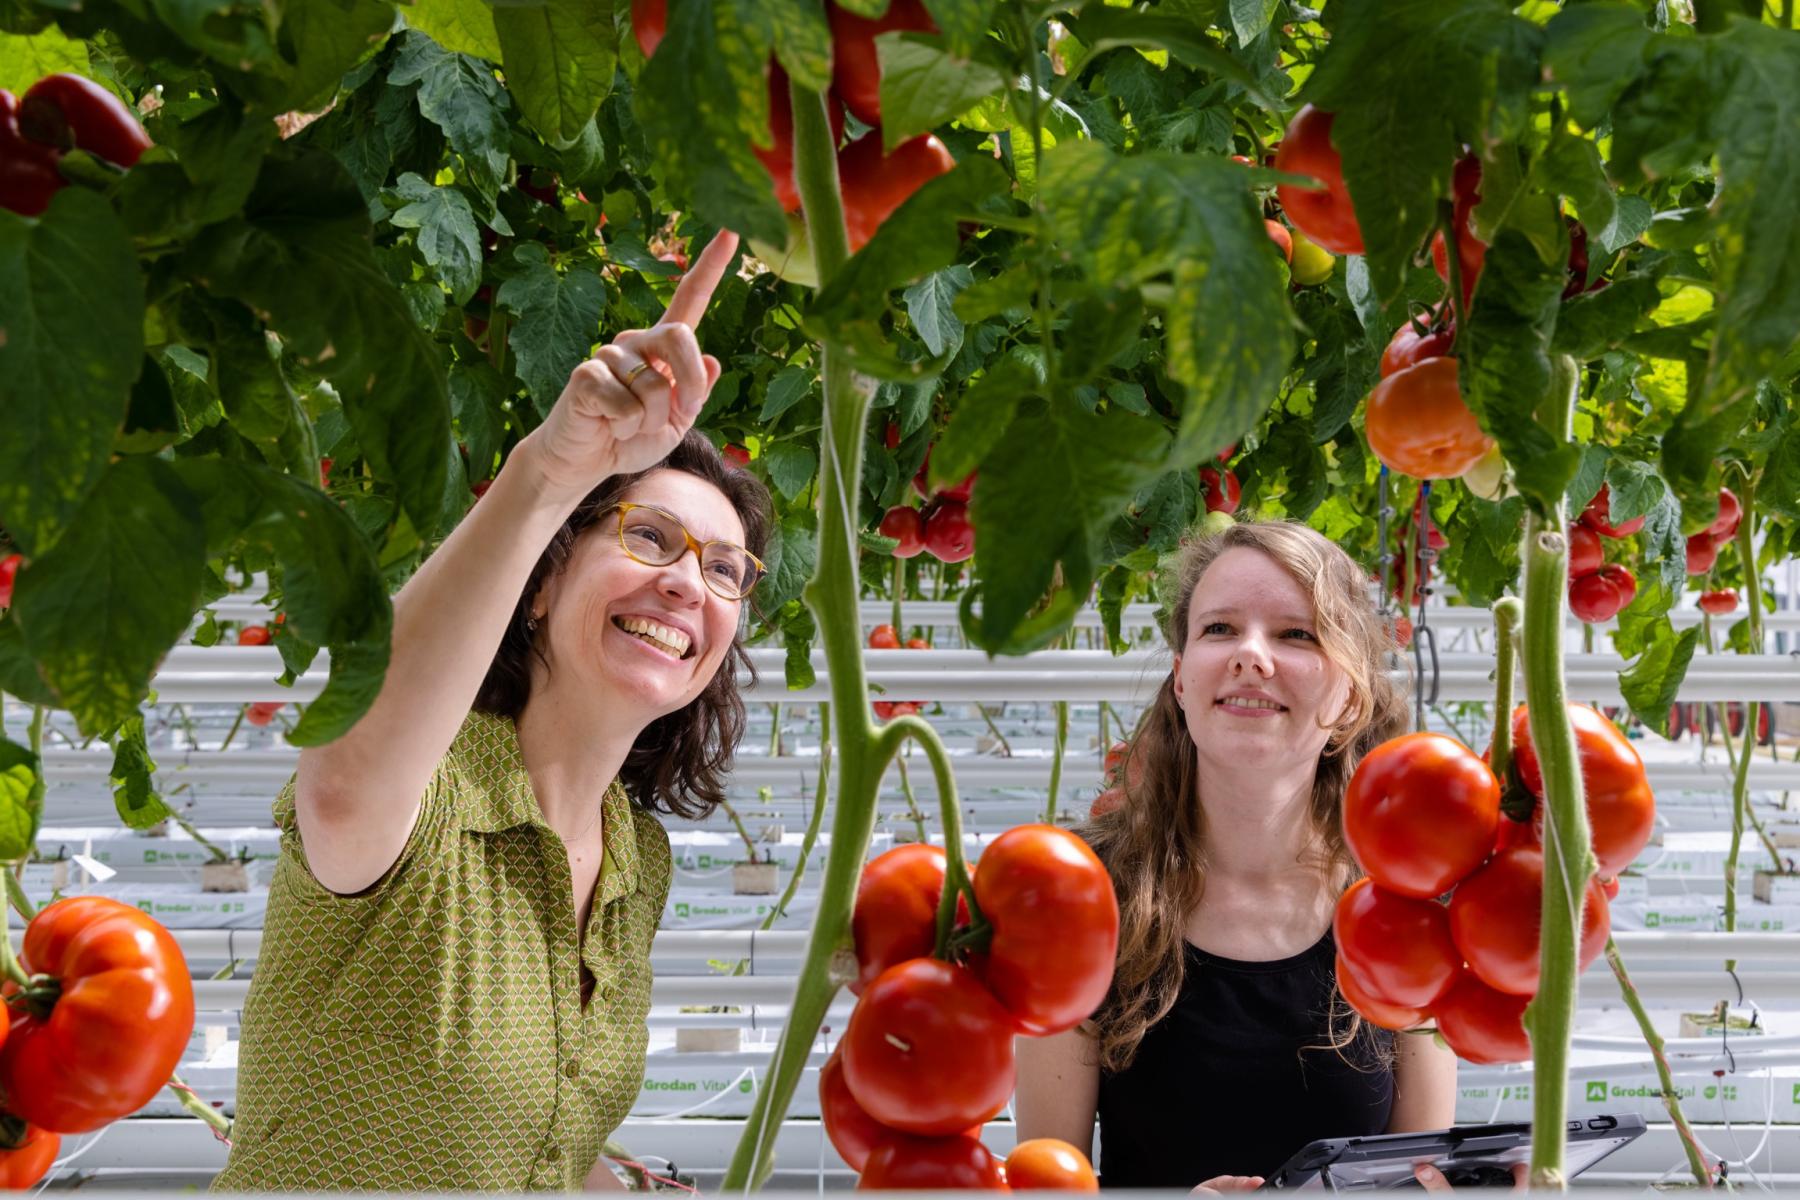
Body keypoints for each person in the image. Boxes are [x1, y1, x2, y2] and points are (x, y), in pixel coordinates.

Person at [214, 231, 766, 1191]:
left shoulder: (637, 860)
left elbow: (539, 1135)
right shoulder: (431, 782)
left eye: (723, 570)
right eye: (650, 538)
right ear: (545, 584)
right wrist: (553, 474)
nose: (688, 583)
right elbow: (343, 787)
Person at [1015, 518, 1473, 1192]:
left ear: (1349, 698)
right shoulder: (1079, 898)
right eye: (1220, 629)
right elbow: (1047, 1187)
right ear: (1180, 678)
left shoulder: (1405, 907)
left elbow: (1412, 1179)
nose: (1250, 655)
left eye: (1296, 634)